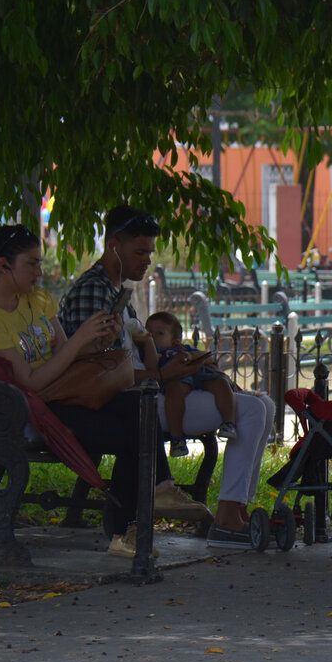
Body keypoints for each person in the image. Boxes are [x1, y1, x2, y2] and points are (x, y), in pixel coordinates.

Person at [59, 205, 276, 550]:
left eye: (150, 252)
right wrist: (162, 374)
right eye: (139, 251)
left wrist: (186, 365)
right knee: (251, 410)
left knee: (263, 403)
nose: (147, 260)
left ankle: (236, 512)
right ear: (113, 244)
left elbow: (129, 357)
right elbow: (103, 373)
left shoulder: (117, 293)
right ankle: (227, 520)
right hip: (122, 404)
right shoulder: (93, 292)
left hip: (147, 393)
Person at [0, 223, 149, 557]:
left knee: (138, 408)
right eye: (31, 264)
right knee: (131, 435)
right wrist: (78, 341)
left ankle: (140, 513)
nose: (39, 272)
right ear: (3, 266)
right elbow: (30, 382)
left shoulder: (39, 300)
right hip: (30, 409)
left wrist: (96, 340)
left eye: (39, 263)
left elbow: (66, 352)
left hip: (63, 394)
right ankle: (128, 527)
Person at [142, 311, 238, 457]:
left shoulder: (183, 349)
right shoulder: (151, 351)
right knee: (174, 392)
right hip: (176, 377)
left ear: (175, 341)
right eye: (148, 332)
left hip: (198, 372)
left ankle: (228, 422)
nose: (151, 336)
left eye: (159, 333)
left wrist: (191, 356)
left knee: (221, 383)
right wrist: (147, 344)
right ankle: (177, 438)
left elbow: (208, 357)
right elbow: (152, 367)